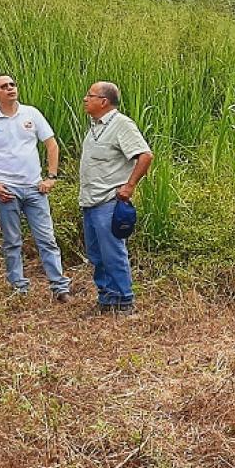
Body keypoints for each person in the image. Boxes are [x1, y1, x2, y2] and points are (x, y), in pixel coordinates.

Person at [0, 74, 72, 302]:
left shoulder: (31, 113)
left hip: (35, 188)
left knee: (46, 238)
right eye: (3, 86)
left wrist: (51, 177)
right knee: (12, 240)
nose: (10, 89)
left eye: (12, 85)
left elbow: (51, 144)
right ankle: (19, 287)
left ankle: (59, 286)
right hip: (6, 188)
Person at [78, 81, 153, 315]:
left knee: (113, 253)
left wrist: (129, 186)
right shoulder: (95, 126)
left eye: (89, 95)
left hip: (109, 201)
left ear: (104, 101)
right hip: (90, 201)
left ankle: (124, 300)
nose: (85, 99)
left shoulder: (121, 125)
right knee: (96, 254)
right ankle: (107, 299)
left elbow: (145, 156)